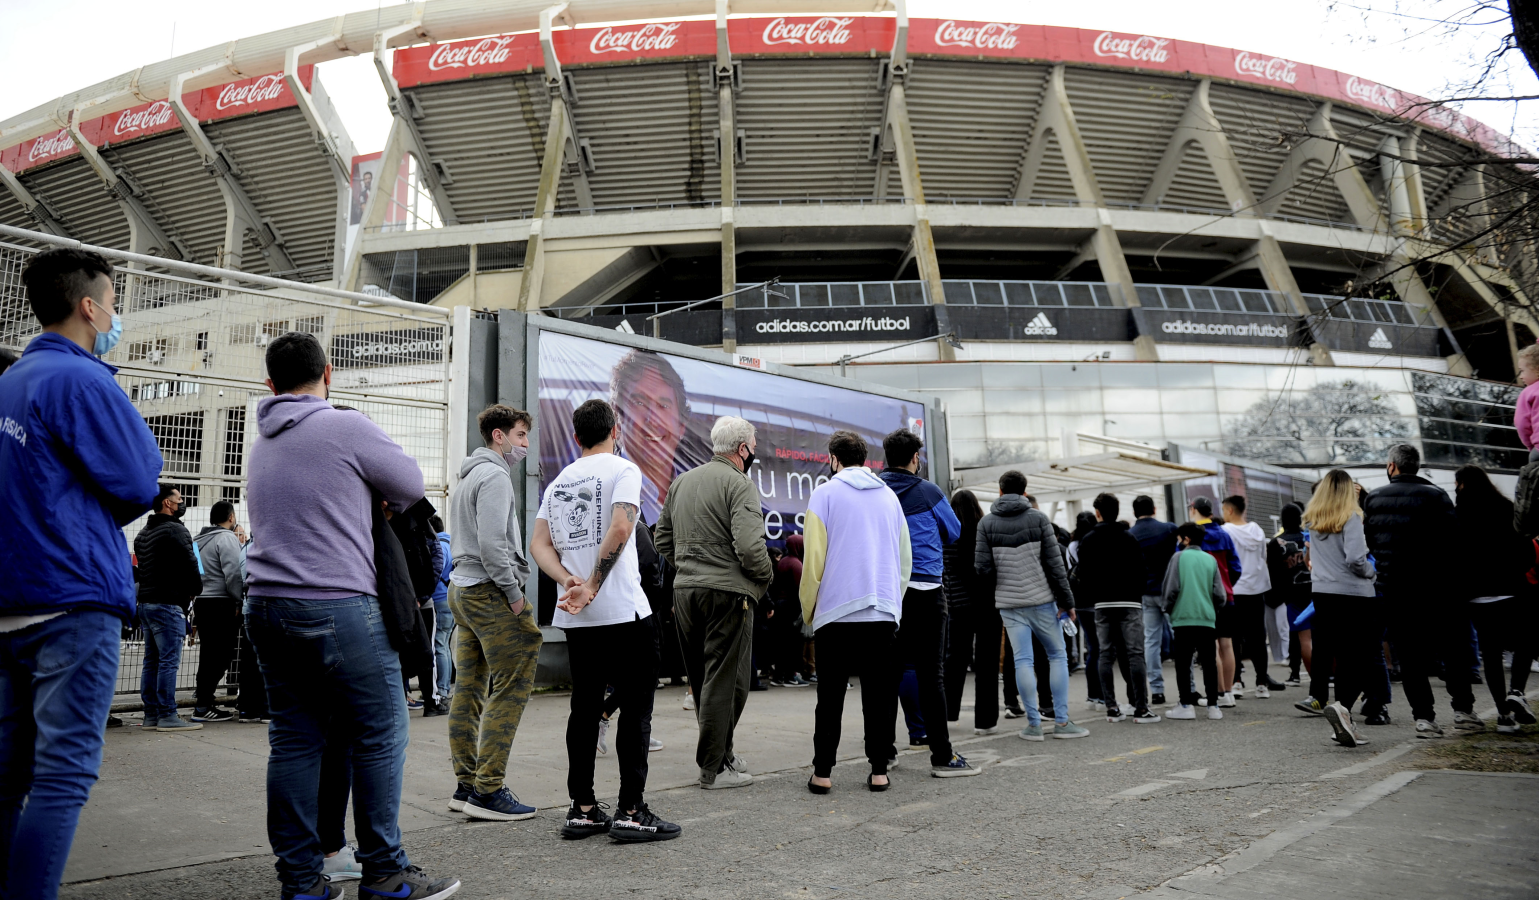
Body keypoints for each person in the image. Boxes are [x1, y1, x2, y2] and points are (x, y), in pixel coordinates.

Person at [243, 331, 458, 900]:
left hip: (264, 604)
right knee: (380, 733)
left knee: (293, 740)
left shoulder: (261, 441)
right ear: (328, 373)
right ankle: (385, 872)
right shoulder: (343, 423)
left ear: (270, 385)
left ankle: (301, 881)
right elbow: (409, 485)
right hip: (338, 604)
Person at [0, 247, 163, 900]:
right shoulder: (83, 379)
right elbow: (136, 479)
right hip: (72, 597)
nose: (116, 314)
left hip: (11, 598)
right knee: (63, 775)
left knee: (8, 776)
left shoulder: (10, 380)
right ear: (89, 306)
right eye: (114, 301)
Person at [532, 399, 679, 843]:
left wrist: (567, 580)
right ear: (615, 430)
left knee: (584, 709)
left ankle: (582, 809)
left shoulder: (558, 483)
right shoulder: (623, 470)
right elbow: (621, 527)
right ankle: (631, 811)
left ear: (577, 437)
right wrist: (592, 583)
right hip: (624, 611)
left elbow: (540, 544)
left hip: (580, 620)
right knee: (635, 711)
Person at [654, 414, 775, 789]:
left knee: (704, 680)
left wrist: (690, 568)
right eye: (753, 448)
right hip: (728, 594)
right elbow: (752, 549)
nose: (754, 453)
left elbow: (662, 540)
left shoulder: (682, 481)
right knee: (728, 683)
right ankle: (713, 768)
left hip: (686, 592)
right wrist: (764, 580)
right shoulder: (740, 484)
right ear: (742, 449)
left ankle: (722, 753)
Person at [445, 404, 543, 821]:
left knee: (468, 688)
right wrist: (514, 595)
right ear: (499, 436)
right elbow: (492, 546)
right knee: (514, 678)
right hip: (489, 591)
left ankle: (467, 784)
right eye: (521, 436)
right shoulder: (496, 475)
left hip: (461, 590)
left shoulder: (468, 475)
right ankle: (488, 790)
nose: (525, 445)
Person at [800, 431, 909, 793]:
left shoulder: (825, 493)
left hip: (836, 611)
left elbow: (813, 559)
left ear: (833, 458)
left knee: (830, 696)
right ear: (865, 459)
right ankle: (879, 770)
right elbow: (903, 558)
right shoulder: (890, 497)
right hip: (880, 610)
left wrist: (808, 609)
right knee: (878, 695)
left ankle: (823, 773)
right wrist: (893, 600)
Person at [877, 428, 978, 777]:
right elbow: (954, 532)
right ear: (915, 458)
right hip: (926, 591)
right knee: (931, 674)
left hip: (888, 594)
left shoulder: (876, 490)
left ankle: (884, 753)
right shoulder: (929, 491)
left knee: (887, 675)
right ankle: (942, 756)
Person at [1362, 444, 1477, 737]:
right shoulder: (1437, 496)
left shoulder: (1373, 498)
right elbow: (1455, 543)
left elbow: (1371, 543)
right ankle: (1463, 710)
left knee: (1410, 655)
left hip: (1394, 589)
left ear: (1392, 466)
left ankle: (1424, 718)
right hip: (1437, 589)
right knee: (1452, 650)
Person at [976, 470, 1087, 741]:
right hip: (1042, 600)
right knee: (1057, 656)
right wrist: (1067, 602)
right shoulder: (1038, 519)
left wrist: (1001, 587)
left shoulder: (987, 523)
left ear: (1000, 492)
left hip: (1010, 604)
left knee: (1022, 659)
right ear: (1025, 492)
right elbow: (1055, 564)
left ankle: (1034, 725)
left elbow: (981, 568)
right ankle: (1062, 722)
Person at [1452, 465, 1538, 734]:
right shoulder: (1507, 509)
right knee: (1526, 640)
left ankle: (1503, 715)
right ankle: (1516, 691)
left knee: (1490, 652)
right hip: (1511, 590)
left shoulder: (1457, 517)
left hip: (1476, 596)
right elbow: (1527, 551)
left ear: (1461, 485)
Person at [1296, 469, 1376, 748]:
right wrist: (1371, 573)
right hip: (1353, 594)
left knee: (1332, 650)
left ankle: (1342, 716)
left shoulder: (1314, 521)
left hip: (1323, 593)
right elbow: (1356, 559)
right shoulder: (1351, 517)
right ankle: (1343, 708)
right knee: (1358, 657)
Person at [1076, 493, 1158, 723]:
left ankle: (1112, 707)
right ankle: (1141, 707)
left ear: (1098, 513)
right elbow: (1142, 570)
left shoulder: (1088, 540)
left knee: (1105, 653)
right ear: (1117, 510)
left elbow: (1084, 574)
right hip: (1129, 602)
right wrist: (1135, 592)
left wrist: (1096, 594)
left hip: (1102, 604)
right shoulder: (1128, 538)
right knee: (1135, 654)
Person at [134, 485, 205, 732]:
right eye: (179, 499)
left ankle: (151, 715)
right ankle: (167, 715)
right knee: (168, 662)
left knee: (151, 661)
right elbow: (190, 564)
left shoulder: (142, 534)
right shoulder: (177, 530)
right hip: (168, 603)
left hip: (146, 603)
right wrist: (196, 588)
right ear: (167, 503)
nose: (182, 502)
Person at [943, 490, 1003, 733]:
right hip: (988, 605)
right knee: (987, 664)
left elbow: (945, 571)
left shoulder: (947, 533)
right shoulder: (984, 532)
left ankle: (948, 714)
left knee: (954, 661)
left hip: (958, 607)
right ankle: (985, 722)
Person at [611, 349, 693, 524]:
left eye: (663, 405)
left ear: (681, 426)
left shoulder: (697, 495)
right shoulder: (602, 490)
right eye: (639, 403)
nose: (652, 420)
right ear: (617, 420)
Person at [1221, 495, 1286, 697]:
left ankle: (1236, 681)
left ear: (1230, 510)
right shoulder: (1257, 530)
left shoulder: (1225, 531)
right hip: (1257, 589)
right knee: (1257, 636)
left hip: (1235, 589)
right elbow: (1263, 558)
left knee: (1234, 637)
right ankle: (1261, 682)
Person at [1161, 523, 1228, 720]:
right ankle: (1214, 706)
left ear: (1186, 539)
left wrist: (1167, 608)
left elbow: (1171, 589)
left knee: (1183, 663)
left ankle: (1186, 704)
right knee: (1209, 663)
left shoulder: (1178, 557)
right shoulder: (1210, 560)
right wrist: (1210, 608)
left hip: (1183, 618)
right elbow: (1220, 595)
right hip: (1206, 618)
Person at [191, 499, 248, 723]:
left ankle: (203, 702)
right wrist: (238, 599)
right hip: (221, 603)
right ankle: (204, 704)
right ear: (231, 517)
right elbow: (233, 573)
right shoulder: (226, 538)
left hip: (202, 602)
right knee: (222, 656)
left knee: (208, 655)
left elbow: (197, 573)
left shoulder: (197, 540)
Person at [1188, 496, 1242, 707]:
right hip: (1226, 596)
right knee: (1226, 644)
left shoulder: (1191, 535)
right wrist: (1226, 584)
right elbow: (1236, 567)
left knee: (1210, 646)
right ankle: (1228, 691)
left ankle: (1218, 693)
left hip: (1203, 597)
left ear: (1194, 509)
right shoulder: (1224, 534)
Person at [1129, 495, 1178, 706]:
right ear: (1155, 509)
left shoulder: (1131, 534)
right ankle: (1190, 687)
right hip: (1170, 591)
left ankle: (1157, 689)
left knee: (1151, 641)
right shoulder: (1169, 529)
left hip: (1145, 592)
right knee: (1180, 639)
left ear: (1134, 512)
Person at [1272, 504, 1313, 685]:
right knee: (1318, 634)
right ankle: (1328, 673)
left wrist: (1277, 595)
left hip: (1291, 593)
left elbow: (1273, 572)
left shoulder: (1276, 542)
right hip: (1313, 590)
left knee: (1298, 635)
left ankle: (1296, 673)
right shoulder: (1309, 537)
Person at [770, 535, 811, 687]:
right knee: (793, 643)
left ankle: (778, 676)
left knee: (782, 643)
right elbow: (801, 588)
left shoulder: (783, 562)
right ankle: (791, 676)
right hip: (791, 607)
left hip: (780, 606)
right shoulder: (796, 564)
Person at [429, 516, 454, 712]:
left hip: (439, 600)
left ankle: (442, 690)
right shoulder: (453, 543)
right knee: (444, 644)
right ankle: (443, 688)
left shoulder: (440, 546)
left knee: (439, 645)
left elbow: (436, 570)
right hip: (452, 599)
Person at [1514, 342, 1539, 463]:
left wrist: (1531, 446)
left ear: (1536, 369)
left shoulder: (1528, 392)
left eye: (1522, 371)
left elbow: (1522, 424)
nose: (1521, 376)